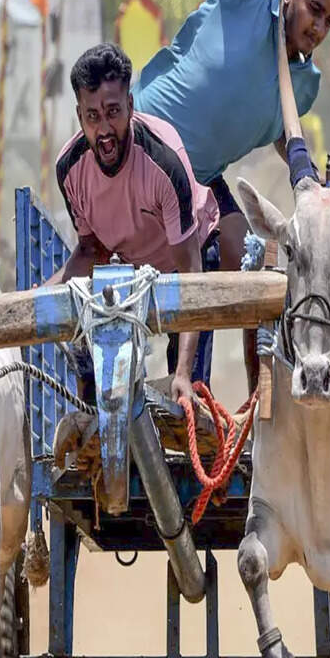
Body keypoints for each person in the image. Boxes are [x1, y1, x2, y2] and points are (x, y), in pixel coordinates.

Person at [133, 0, 330, 389]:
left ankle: (255, 397)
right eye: (314, 8)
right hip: (139, 142)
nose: (319, 26)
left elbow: (285, 138)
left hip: (197, 182)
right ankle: (188, 388)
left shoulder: (304, 83)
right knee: (213, 248)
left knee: (253, 251)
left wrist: (318, 193)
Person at [50, 43, 218, 405]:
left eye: (113, 112)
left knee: (185, 395)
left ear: (130, 105)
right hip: (130, 273)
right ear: (80, 117)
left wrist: (183, 375)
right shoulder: (69, 169)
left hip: (187, 263)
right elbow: (91, 250)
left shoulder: (164, 162)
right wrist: (37, 300)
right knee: (98, 398)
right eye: (93, 117)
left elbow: (192, 275)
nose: (105, 129)